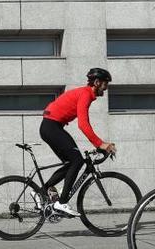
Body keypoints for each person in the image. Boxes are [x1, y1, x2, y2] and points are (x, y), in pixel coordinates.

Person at [40, 68, 117, 217]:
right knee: (77, 161)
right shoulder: (85, 94)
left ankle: (43, 192)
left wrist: (98, 145)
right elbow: (83, 124)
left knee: (71, 162)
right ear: (97, 82)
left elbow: (84, 123)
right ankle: (61, 203)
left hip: (50, 127)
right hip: (51, 126)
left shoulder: (85, 94)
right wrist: (100, 144)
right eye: (105, 84)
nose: (106, 88)